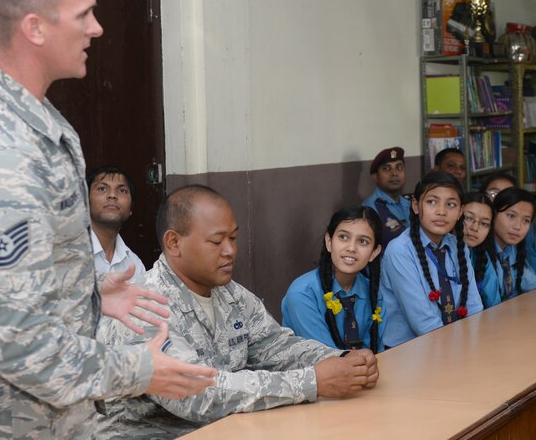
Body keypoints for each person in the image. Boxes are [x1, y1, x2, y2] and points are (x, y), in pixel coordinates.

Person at [0, 0, 215, 437]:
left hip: (56, 418)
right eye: (84, 14)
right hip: (2, 424)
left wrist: (85, 294)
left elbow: (9, 282)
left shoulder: (38, 121)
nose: (97, 28)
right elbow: (12, 338)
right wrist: (139, 370)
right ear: (35, 27)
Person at [97, 186, 377, 438]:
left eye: (233, 238)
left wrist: (343, 361)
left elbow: (277, 346)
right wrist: (312, 381)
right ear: (174, 243)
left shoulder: (231, 294)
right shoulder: (141, 305)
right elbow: (196, 393)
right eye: (217, 241)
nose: (230, 250)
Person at [379, 171, 482, 348]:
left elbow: (474, 306)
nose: (441, 212)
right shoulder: (399, 251)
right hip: (407, 352)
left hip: (455, 345)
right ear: (416, 205)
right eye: (432, 202)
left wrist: (474, 342)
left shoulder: (458, 245)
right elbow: (423, 323)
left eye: (451, 204)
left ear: (460, 212)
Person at [282, 205, 385, 352]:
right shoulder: (302, 293)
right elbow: (324, 356)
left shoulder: (373, 293)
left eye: (362, 241)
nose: (351, 248)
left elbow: (376, 352)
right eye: (343, 237)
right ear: (329, 242)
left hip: (365, 372)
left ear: (374, 252)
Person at [88, 165, 146, 280]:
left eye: (122, 190)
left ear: (131, 209)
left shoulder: (134, 264)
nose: (112, 195)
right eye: (102, 189)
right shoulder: (66, 253)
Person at [485, 188, 536, 302]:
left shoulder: (512, 249)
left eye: (526, 221)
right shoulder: (482, 251)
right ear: (494, 214)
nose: (518, 227)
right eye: (511, 216)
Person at [362, 146, 412, 248]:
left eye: (399, 167)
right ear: (376, 176)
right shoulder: (369, 208)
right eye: (387, 168)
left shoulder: (410, 203)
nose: (394, 173)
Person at [461, 192, 500, 308]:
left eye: (484, 223)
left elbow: (495, 303)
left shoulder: (481, 255)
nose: (474, 228)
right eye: (468, 218)